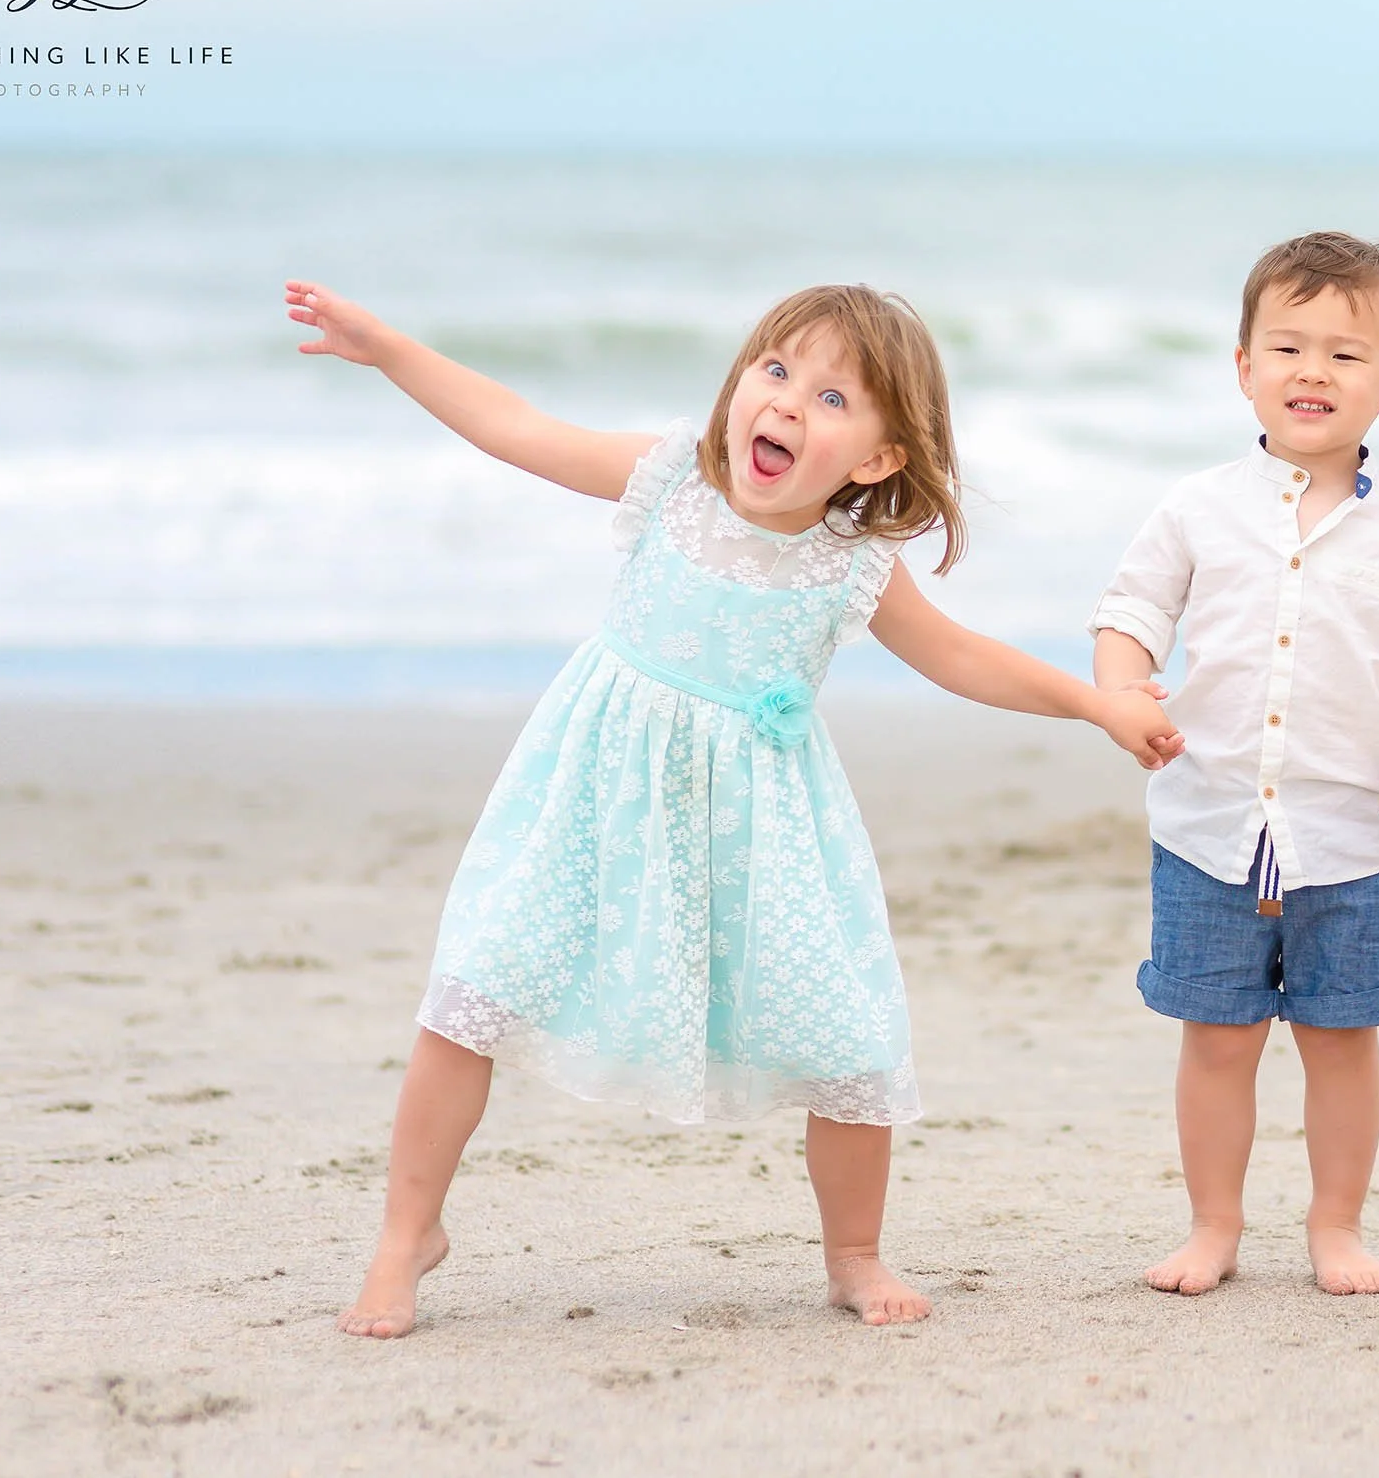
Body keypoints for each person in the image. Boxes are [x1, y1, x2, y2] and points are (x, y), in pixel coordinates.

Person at [283, 278, 1181, 1336]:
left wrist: (1093, 703)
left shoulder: (851, 565)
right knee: (472, 994)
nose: (789, 404)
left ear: (882, 458)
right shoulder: (668, 483)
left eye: (834, 399)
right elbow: (516, 428)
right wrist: (388, 347)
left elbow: (960, 657)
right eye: (776, 370)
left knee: (844, 1042)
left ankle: (853, 1252)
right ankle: (405, 1237)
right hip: (592, 800)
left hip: (761, 832)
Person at [1091, 232, 1379, 1297]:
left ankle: (1336, 1226)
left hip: (1351, 835)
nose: (1313, 372)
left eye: (1346, 355)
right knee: (1216, 1039)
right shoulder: (1194, 507)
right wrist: (1121, 691)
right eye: (1288, 347)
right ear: (1243, 368)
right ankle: (1213, 1226)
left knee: (1340, 1037)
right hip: (1211, 826)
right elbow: (1128, 616)